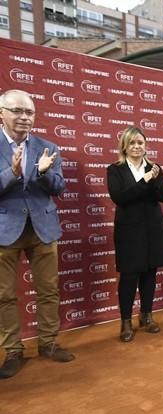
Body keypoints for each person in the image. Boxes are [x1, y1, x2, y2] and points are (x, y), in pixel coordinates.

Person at [0, 89, 75, 379]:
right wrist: (12, 173)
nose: (24, 117)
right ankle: (13, 350)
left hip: (43, 229)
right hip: (5, 230)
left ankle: (48, 342)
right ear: (2, 114)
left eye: (29, 112)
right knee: (4, 296)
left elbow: (58, 187)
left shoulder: (47, 146)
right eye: (17, 111)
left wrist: (43, 172)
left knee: (48, 290)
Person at [107, 127, 163, 342]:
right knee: (129, 276)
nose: (136, 147)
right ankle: (126, 321)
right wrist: (145, 180)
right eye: (132, 143)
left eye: (140, 143)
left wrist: (154, 179)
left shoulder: (155, 168)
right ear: (125, 146)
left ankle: (146, 316)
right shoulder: (115, 169)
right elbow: (120, 197)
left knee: (150, 273)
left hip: (152, 228)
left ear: (146, 146)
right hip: (128, 230)